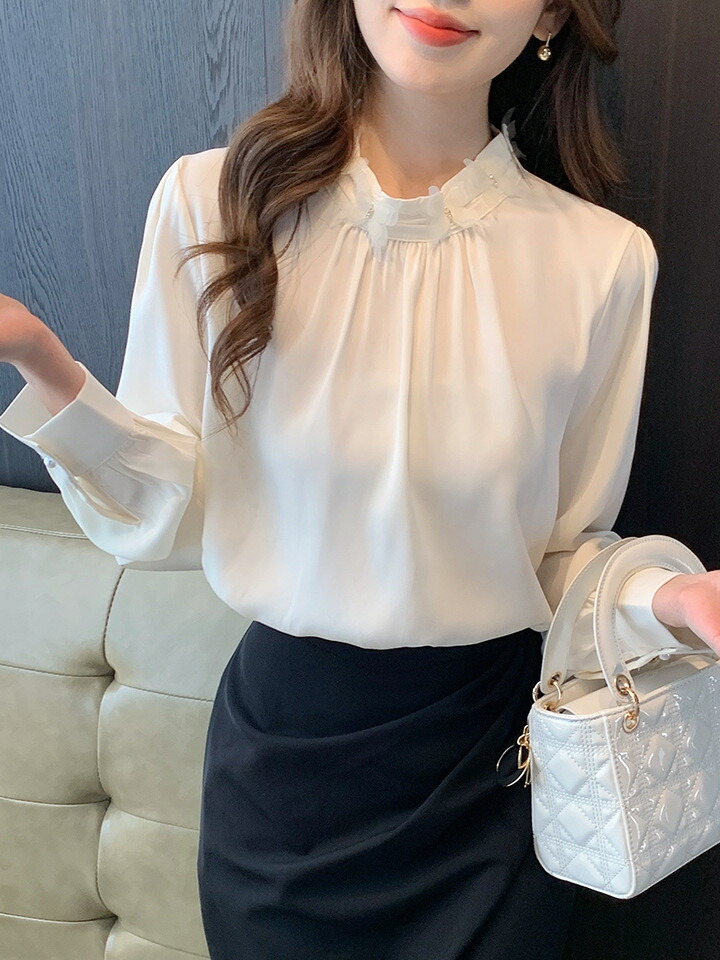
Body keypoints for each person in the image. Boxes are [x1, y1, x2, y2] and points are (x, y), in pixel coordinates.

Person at [0, 1, 695, 957]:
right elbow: (171, 515)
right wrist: (46, 368)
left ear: (549, 13)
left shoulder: (604, 263)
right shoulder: (212, 205)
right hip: (283, 784)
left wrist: (673, 601)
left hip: (487, 773)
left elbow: (555, 558)